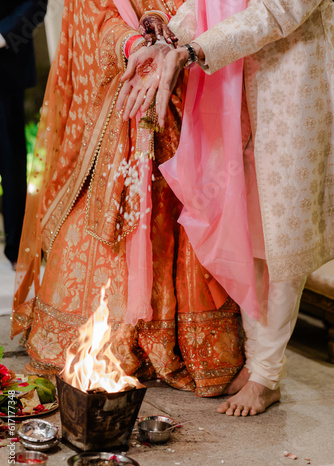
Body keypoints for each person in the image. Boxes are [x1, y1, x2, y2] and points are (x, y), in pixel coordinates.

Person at [11, 0, 246, 399]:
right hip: (124, 95)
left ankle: (178, 338)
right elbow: (91, 15)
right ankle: (103, 340)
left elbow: (217, 10)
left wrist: (175, 46)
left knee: (186, 207)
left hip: (190, 89)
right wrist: (135, 46)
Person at [121, 0, 334, 415]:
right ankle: (260, 364)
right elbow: (212, 3)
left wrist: (194, 51)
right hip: (234, 97)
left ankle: (266, 376)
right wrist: (166, 42)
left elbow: (279, 11)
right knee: (248, 230)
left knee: (282, 239)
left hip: (293, 97)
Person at [0, 0, 48, 270]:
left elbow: (37, 4)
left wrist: (4, 35)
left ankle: (19, 249)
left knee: (11, 163)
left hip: (4, 70)